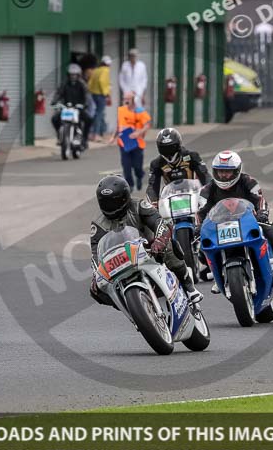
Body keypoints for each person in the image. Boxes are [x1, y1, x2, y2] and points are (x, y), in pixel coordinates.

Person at [89, 175, 202, 306]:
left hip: (150, 250)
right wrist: (97, 274)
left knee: (169, 247)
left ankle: (189, 287)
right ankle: (128, 306)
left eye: (115, 201)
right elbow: (95, 252)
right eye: (106, 202)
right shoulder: (98, 224)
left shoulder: (139, 205)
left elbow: (160, 222)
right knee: (95, 290)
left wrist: (159, 242)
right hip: (120, 261)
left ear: (125, 197)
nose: (111, 206)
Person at [198, 150, 273, 287]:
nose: (223, 175)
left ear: (236, 171)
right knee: (202, 249)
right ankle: (218, 276)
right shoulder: (207, 189)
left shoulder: (249, 182)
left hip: (247, 223)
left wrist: (262, 213)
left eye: (227, 171)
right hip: (220, 227)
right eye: (220, 171)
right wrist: (198, 226)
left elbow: (260, 200)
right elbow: (201, 211)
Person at [146, 128, 210, 204]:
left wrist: (209, 192)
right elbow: (152, 185)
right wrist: (153, 201)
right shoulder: (156, 163)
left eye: (171, 148)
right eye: (164, 149)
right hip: (169, 199)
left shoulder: (191, 156)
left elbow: (205, 175)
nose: (168, 153)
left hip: (193, 196)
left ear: (178, 145)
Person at [110, 91, 151, 191]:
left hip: (137, 143)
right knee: (126, 166)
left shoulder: (140, 111)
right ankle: (130, 185)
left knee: (137, 166)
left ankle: (139, 176)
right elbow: (119, 125)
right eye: (125, 99)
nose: (126, 101)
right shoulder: (121, 110)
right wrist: (113, 137)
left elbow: (147, 125)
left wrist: (138, 133)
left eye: (128, 99)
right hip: (124, 143)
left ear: (133, 100)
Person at [51, 63, 88, 142]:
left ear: (78, 75)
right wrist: (54, 101)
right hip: (66, 107)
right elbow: (58, 93)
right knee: (55, 119)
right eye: (71, 75)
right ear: (68, 75)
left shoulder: (82, 84)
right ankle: (59, 134)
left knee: (88, 119)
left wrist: (85, 104)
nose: (73, 77)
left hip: (78, 107)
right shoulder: (64, 84)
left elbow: (86, 95)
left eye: (75, 75)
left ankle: (83, 138)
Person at [88, 55, 112, 141]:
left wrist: (91, 91)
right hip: (101, 95)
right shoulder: (105, 70)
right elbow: (102, 81)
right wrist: (106, 93)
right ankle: (96, 134)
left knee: (99, 113)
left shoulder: (96, 70)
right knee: (99, 113)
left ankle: (102, 132)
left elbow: (90, 83)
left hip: (94, 94)